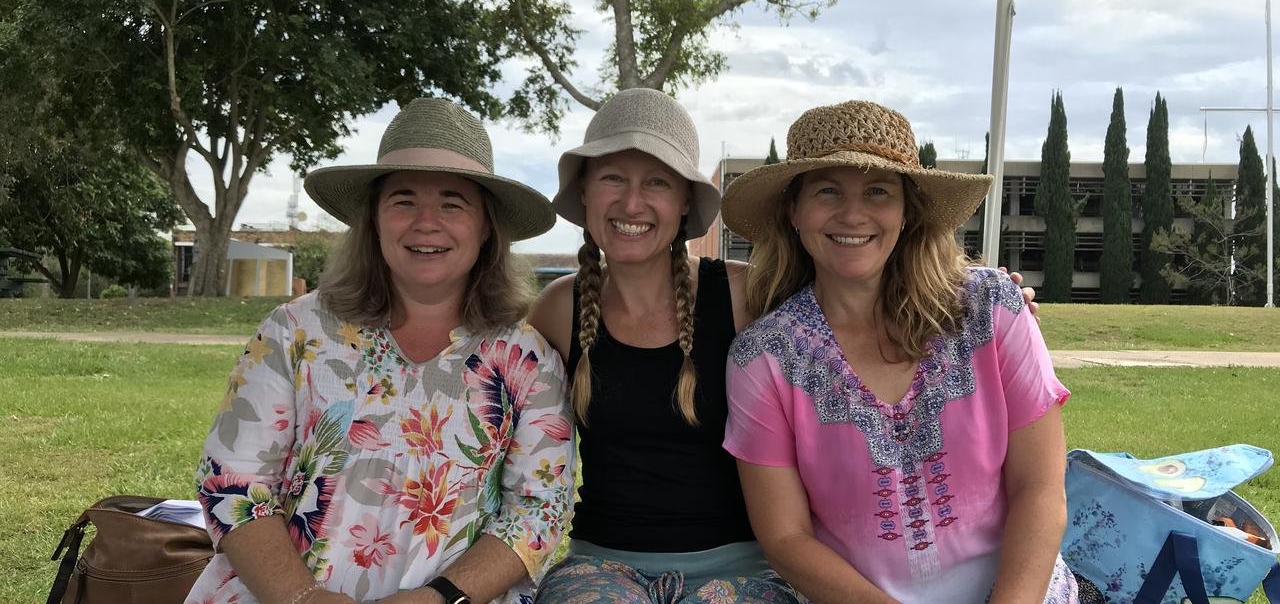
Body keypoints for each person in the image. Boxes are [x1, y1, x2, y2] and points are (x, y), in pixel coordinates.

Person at [528, 89, 1037, 604]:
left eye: (656, 180)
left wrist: (996, 301)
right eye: (612, 177)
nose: (632, 202)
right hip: (602, 564)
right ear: (584, 192)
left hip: (742, 568)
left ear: (686, 199)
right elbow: (495, 377)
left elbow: (856, 293)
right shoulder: (556, 309)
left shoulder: (747, 296)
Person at [186, 99, 575, 604]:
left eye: (453, 203)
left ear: (485, 227)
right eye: (404, 200)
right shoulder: (293, 333)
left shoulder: (525, 360)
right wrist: (302, 597)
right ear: (373, 220)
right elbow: (233, 484)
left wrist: (440, 597)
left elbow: (539, 508)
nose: (426, 222)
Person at [719, 100, 1077, 604]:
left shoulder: (992, 309)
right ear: (793, 211)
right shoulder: (765, 358)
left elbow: (1040, 489)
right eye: (827, 190)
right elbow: (785, 538)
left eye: (878, 191)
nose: (853, 213)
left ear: (907, 211)